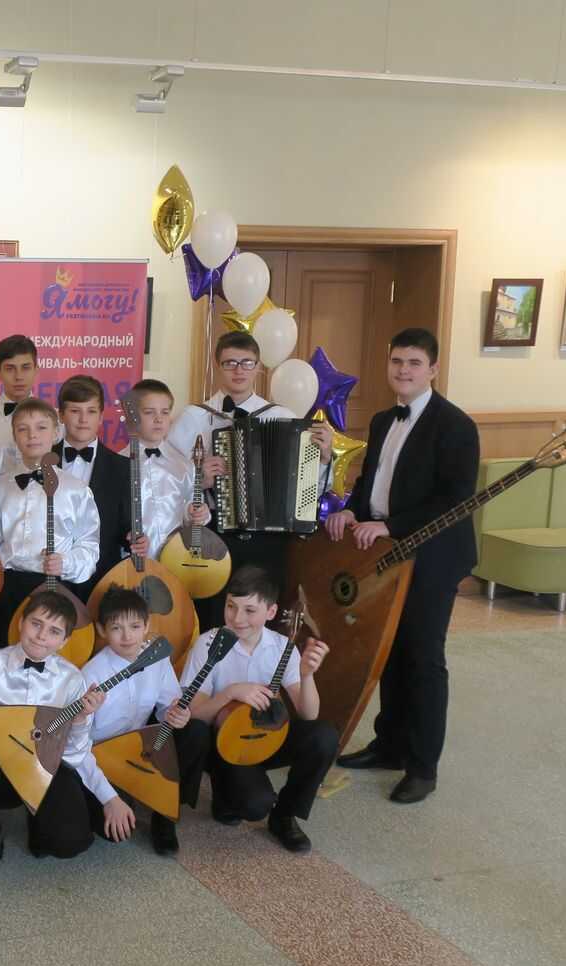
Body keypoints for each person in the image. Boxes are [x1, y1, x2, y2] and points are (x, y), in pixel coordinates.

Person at [329, 327, 480, 805]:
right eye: (397, 361)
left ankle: (422, 766)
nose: (403, 370)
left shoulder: (456, 426)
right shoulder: (381, 420)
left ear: (432, 369)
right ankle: (389, 745)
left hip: (434, 556)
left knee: (423, 659)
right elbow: (371, 481)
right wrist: (352, 510)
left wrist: (391, 525)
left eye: (414, 363)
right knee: (389, 652)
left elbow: (454, 499)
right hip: (387, 553)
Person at [167, 331, 333, 631]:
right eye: (230, 363)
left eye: (247, 363)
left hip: (270, 540)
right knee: (213, 619)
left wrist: (322, 459)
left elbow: (309, 489)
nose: (239, 370)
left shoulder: (283, 416)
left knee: (263, 621)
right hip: (215, 536)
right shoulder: (192, 417)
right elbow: (165, 481)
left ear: (258, 367)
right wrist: (199, 480)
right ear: (217, 366)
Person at [0, 591, 105, 882]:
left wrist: (81, 720)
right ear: (21, 623)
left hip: (44, 769)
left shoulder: (72, 679)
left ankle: (39, 824)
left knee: (70, 843)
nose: (42, 636)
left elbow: (74, 756)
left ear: (65, 641)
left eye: (54, 631)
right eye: (36, 624)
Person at [178, 566, 335, 853]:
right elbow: (194, 715)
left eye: (250, 610)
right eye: (231, 606)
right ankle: (226, 794)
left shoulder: (282, 647)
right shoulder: (209, 643)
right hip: (225, 744)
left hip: (268, 735)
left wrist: (307, 675)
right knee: (253, 805)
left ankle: (284, 815)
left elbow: (308, 714)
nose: (237, 618)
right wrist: (231, 693)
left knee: (323, 736)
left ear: (271, 612)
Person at [75, 586, 208, 855]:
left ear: (147, 626)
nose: (127, 637)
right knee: (113, 831)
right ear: (102, 630)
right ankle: (127, 793)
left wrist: (176, 714)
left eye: (135, 626)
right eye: (116, 628)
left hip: (143, 743)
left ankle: (166, 814)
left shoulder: (156, 658)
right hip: (104, 755)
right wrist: (109, 798)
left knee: (196, 730)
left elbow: (167, 707)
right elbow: (78, 743)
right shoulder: (90, 675)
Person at [0, 397, 100, 649]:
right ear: (14, 436)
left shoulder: (76, 490)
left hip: (54, 587)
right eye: (23, 429)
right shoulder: (0, 487)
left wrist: (65, 563)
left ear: (56, 433)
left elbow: (89, 547)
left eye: (41, 427)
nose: (32, 435)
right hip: (9, 589)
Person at [54, 374, 131, 589]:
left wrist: (134, 538)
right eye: (75, 411)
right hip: (51, 577)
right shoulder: (42, 461)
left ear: (101, 416)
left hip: (102, 578)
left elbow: (125, 529)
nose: (83, 419)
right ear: (61, 415)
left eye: (91, 411)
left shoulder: (122, 468)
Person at [126, 378, 205, 559]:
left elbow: (191, 508)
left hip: (177, 560)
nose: (158, 419)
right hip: (132, 560)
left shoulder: (185, 466)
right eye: (149, 412)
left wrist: (198, 513)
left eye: (165, 412)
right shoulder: (118, 463)